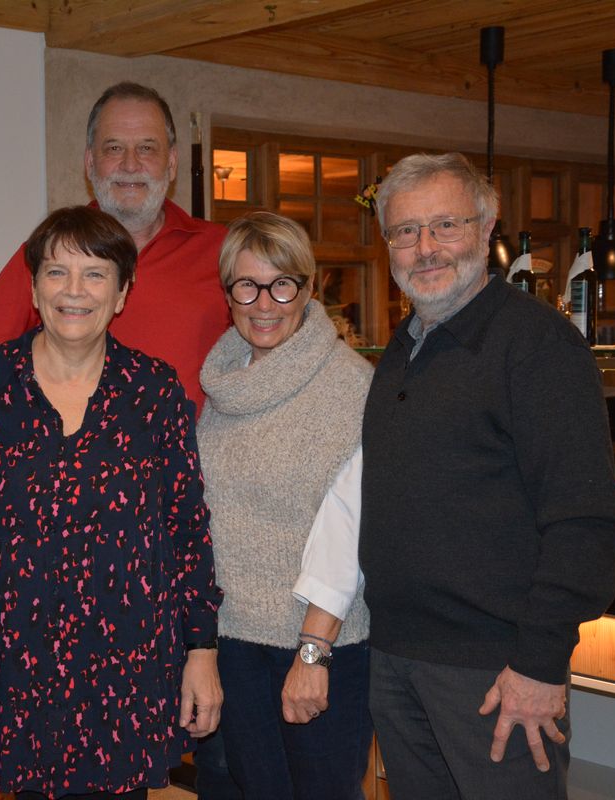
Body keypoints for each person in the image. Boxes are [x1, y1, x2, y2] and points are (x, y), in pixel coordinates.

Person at [359, 152, 615, 799]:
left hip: (496, 672)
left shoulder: (537, 345)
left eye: (445, 225)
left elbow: (584, 522)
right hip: (397, 657)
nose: (425, 247)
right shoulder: (404, 346)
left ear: (486, 228)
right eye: (405, 230)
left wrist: (539, 663)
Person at [0, 205, 223, 799]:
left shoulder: (154, 390)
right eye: (56, 272)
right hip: (16, 664)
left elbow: (187, 528)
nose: (74, 291)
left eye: (95, 274)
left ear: (122, 293)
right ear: (33, 289)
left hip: (128, 667)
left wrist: (200, 650)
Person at [197, 212, 373, 799]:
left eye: (282, 285)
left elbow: (350, 532)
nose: (264, 304)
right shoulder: (223, 383)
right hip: (232, 643)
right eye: (246, 286)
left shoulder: (350, 388)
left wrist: (312, 653)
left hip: (318, 647)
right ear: (227, 294)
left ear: (309, 287)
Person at [0, 82, 229, 415]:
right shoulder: (50, 253)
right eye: (114, 148)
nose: (130, 164)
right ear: (90, 162)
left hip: (186, 447)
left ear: (172, 162)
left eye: (147, 148)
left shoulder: (221, 251)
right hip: (69, 446)